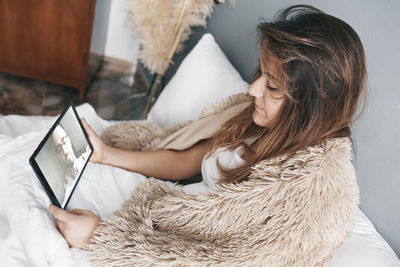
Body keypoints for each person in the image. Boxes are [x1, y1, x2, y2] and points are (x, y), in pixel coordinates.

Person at [49, 5, 366, 265]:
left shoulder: (307, 195)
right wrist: (108, 155)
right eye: (261, 74)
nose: (252, 89)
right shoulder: (262, 122)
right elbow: (192, 158)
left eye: (272, 86)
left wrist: (100, 237)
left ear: (311, 107)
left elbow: (220, 262)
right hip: (160, 219)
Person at [52, 125, 91, 204]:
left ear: (69, 141)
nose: (65, 151)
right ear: (58, 157)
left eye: (64, 141)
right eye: (59, 149)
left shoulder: (88, 154)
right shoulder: (68, 186)